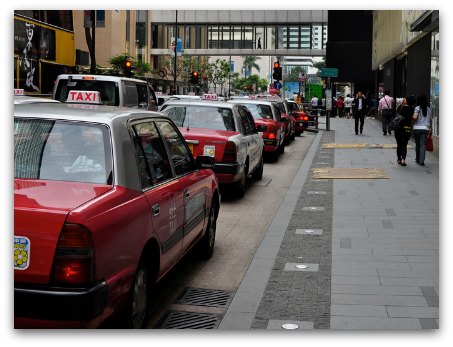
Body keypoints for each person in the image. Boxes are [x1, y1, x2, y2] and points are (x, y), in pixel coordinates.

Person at [394, 95, 415, 166]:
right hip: (407, 128)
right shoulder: (412, 109)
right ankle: (403, 159)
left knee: (399, 144)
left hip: (398, 128)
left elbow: (396, 110)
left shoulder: (401, 108)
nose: (404, 100)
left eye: (405, 99)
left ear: (407, 101)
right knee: (404, 145)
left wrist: (401, 104)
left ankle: (399, 159)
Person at [412, 94, 432, 166]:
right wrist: (430, 129)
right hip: (425, 129)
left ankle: (417, 159)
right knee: (423, 145)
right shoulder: (429, 109)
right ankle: (422, 161)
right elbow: (430, 120)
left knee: (417, 144)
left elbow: (415, 118)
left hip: (417, 128)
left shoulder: (417, 108)